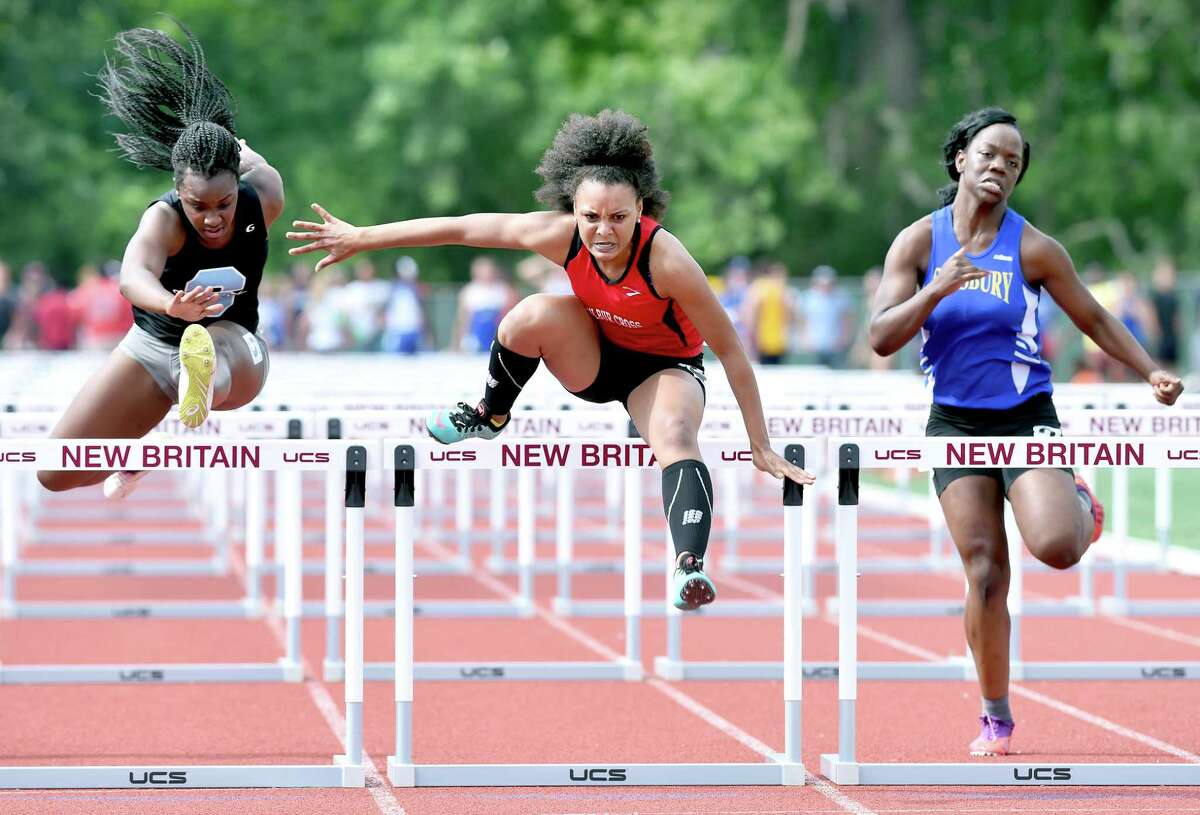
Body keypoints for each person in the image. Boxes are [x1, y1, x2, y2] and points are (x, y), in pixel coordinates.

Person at [288, 109, 814, 610]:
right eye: (591, 217)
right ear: (572, 210)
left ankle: (688, 565)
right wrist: (363, 237)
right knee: (527, 315)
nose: (603, 231)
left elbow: (732, 351)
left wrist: (759, 443)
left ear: (641, 211)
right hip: (594, 357)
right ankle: (489, 414)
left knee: (675, 434)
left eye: (618, 218)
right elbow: (463, 227)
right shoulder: (559, 234)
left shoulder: (668, 260)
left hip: (664, 370)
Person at [869, 106, 1182, 757]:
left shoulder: (1033, 247)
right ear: (960, 158)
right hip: (953, 420)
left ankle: (1080, 505)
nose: (999, 168)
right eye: (989, 154)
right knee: (984, 570)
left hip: (1025, 415)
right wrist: (936, 289)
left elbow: (1093, 317)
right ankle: (995, 715)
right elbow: (881, 336)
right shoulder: (918, 244)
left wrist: (1151, 370)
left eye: (1012, 162)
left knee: (1056, 546)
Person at [37, 24, 283, 498]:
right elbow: (132, 278)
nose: (213, 218)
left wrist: (243, 151)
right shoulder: (163, 220)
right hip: (152, 344)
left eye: (224, 203)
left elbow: (254, 163)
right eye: (199, 206)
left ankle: (201, 380)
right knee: (55, 471)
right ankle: (147, 443)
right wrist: (172, 307)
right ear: (179, 192)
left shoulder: (263, 197)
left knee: (212, 341)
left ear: (238, 188)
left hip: (237, 349)